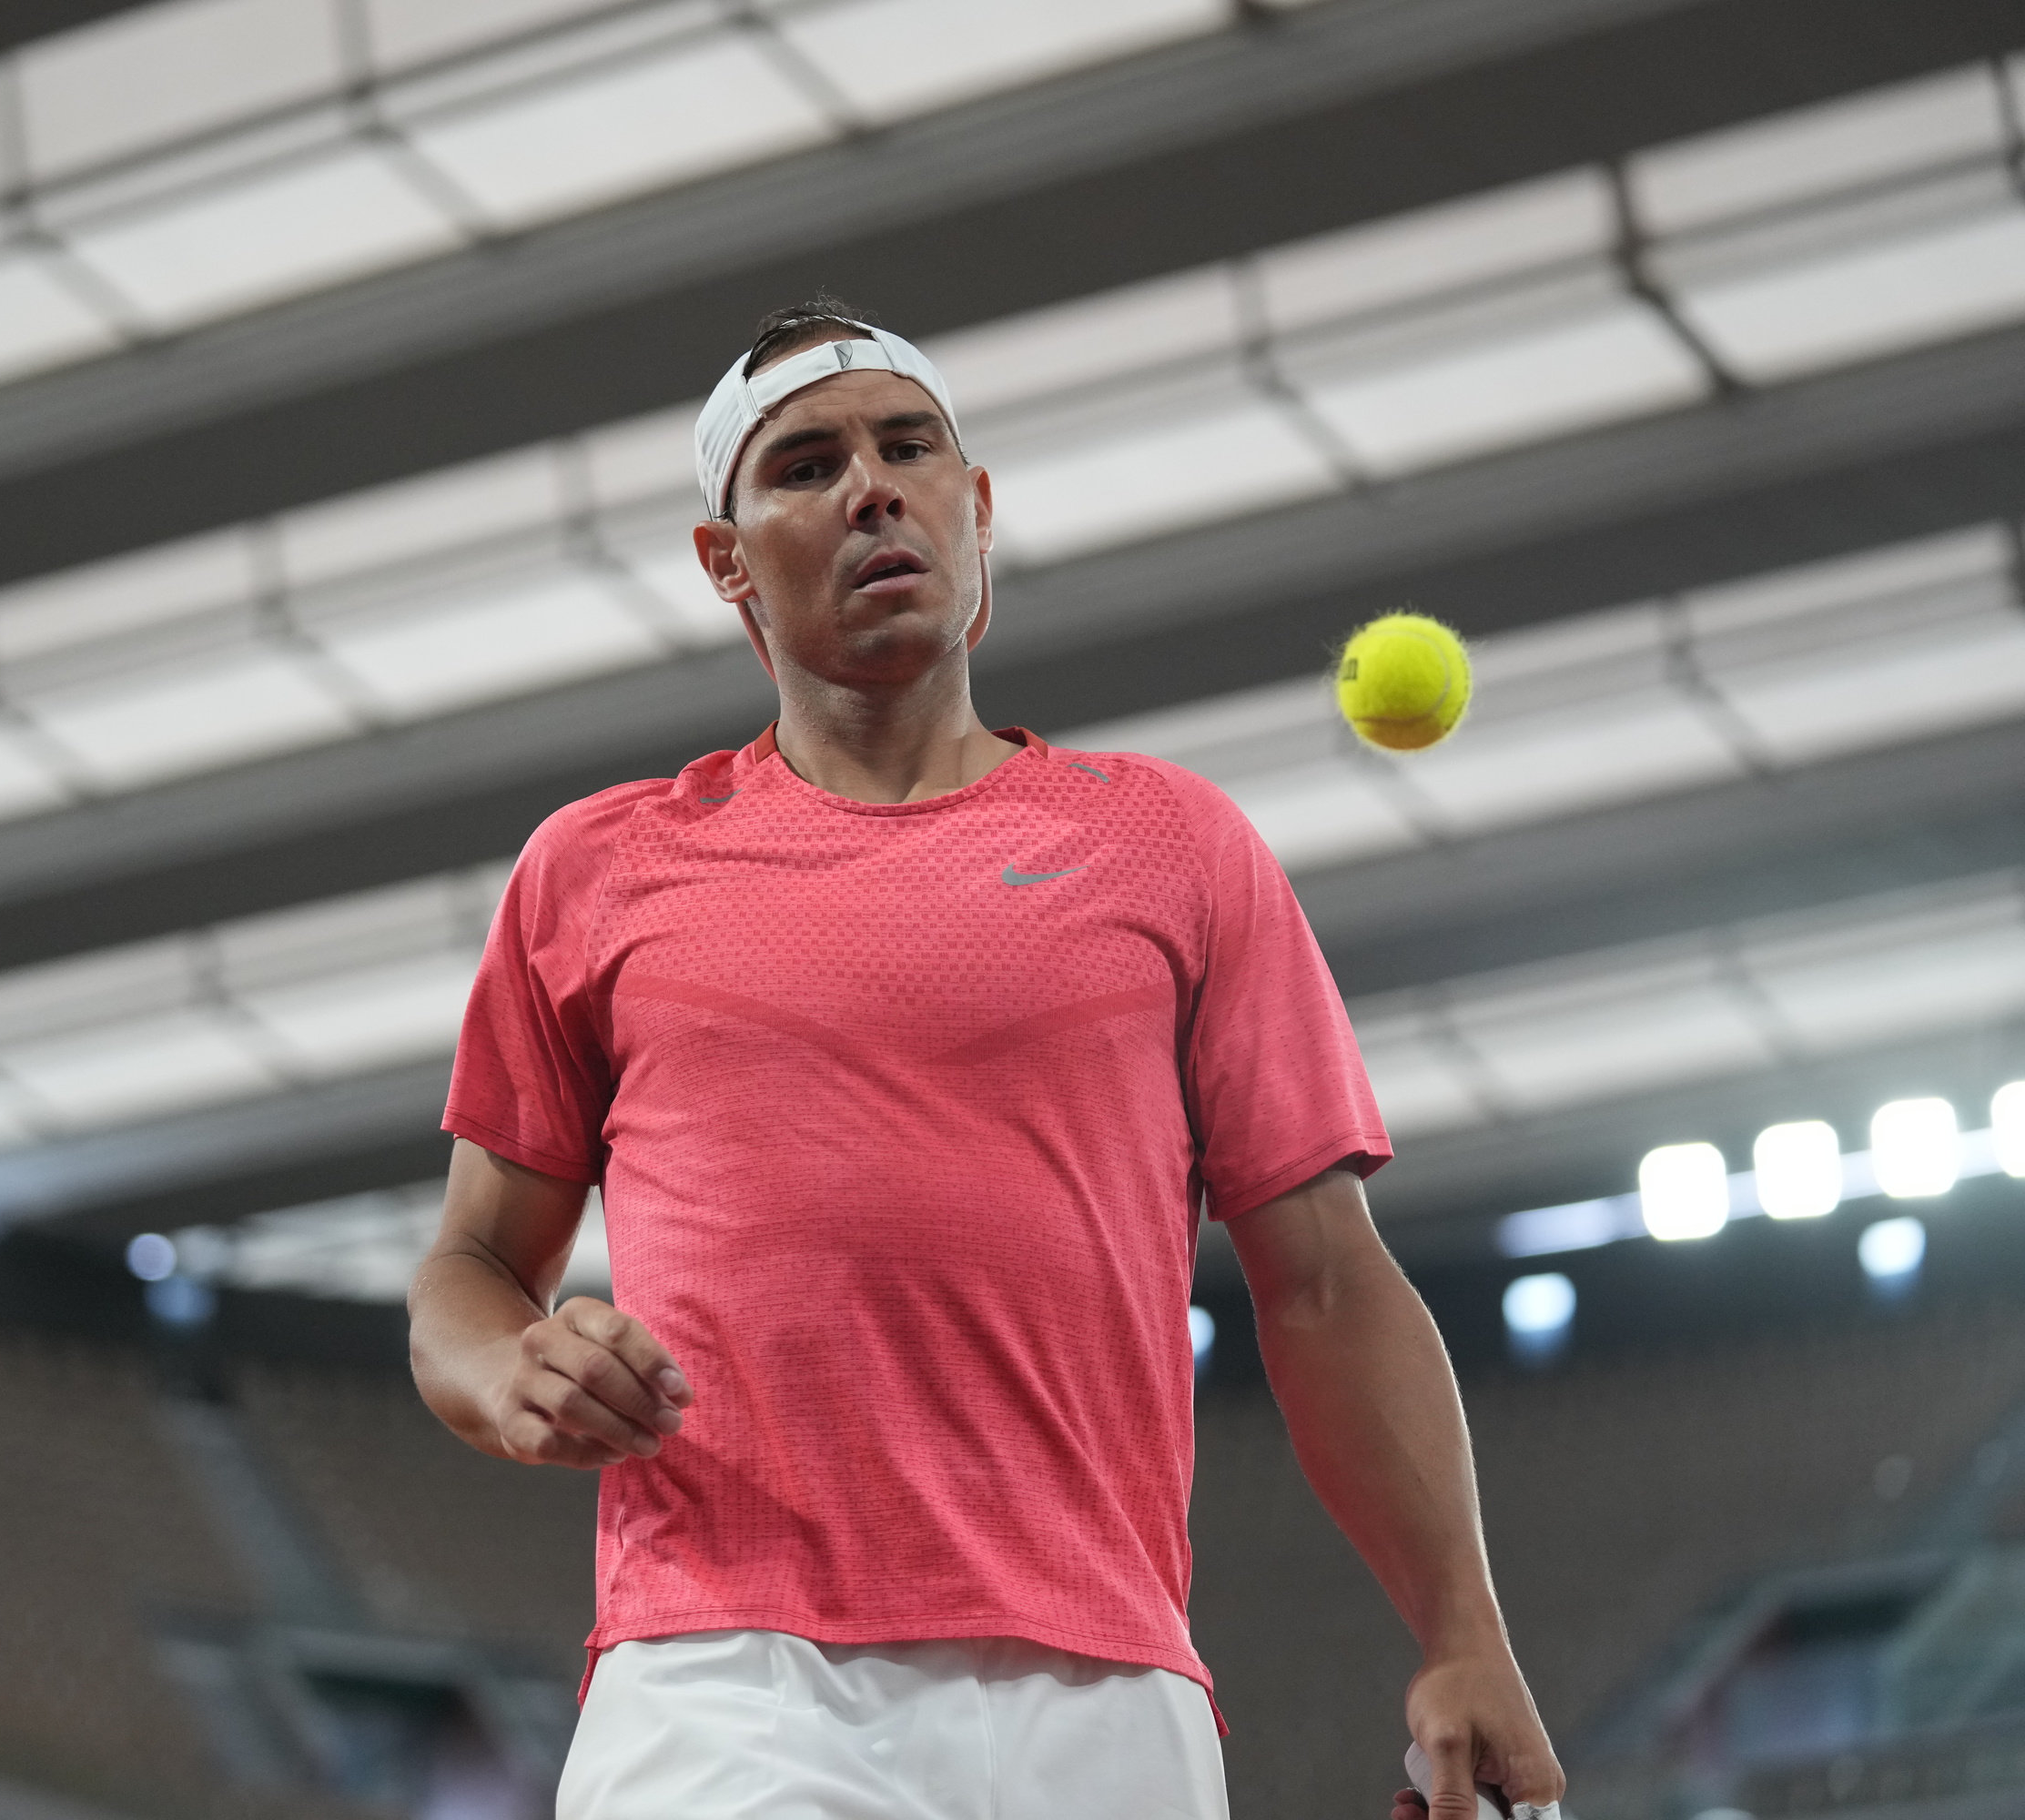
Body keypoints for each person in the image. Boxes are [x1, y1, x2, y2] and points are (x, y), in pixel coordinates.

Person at [407, 298, 1564, 1820]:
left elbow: (1329, 1284)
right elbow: (471, 1267)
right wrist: (511, 1368)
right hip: (729, 1677)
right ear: (726, 561)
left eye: (910, 448)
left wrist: (1464, 1633)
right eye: (806, 465)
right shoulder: (597, 868)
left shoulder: (1175, 846)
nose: (872, 490)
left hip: (1107, 1688)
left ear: (979, 506)